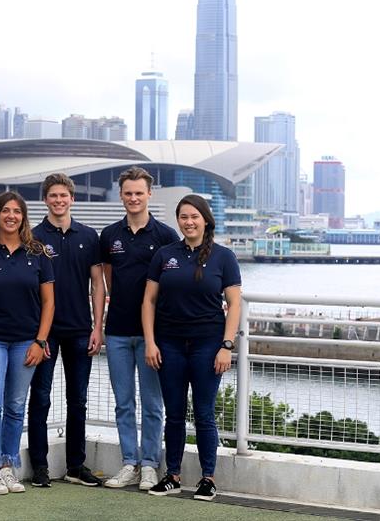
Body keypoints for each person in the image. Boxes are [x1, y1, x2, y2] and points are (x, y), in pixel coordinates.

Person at [141, 194, 241, 501]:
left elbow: (234, 303)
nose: (189, 222)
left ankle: (207, 478)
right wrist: (150, 342)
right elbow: (149, 301)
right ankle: (172, 475)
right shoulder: (164, 255)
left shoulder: (224, 257)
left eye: (194, 216)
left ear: (206, 220)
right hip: (168, 344)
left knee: (204, 413)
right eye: (183, 217)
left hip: (208, 345)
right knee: (173, 413)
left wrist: (227, 345)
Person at [0, 191, 55, 495]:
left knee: (16, 406)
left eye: (17, 211)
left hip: (27, 342)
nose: (11, 216)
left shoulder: (38, 252)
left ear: (23, 217)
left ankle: (8, 465)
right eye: (6, 211)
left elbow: (49, 303)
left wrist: (40, 342)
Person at [99, 166, 178, 490]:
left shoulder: (165, 237)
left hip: (152, 336)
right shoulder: (110, 236)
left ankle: (149, 465)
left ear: (149, 195)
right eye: (128, 193)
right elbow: (107, 280)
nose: (133, 198)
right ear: (121, 196)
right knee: (123, 402)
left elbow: (172, 284)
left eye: (139, 193)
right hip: (116, 331)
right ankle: (129, 462)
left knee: (152, 403)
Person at [28, 173, 106, 488]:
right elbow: (29, 290)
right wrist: (38, 335)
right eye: (53, 196)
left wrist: (98, 326)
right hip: (46, 334)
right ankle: (39, 467)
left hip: (80, 330)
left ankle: (76, 465)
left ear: (72, 199)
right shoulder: (32, 238)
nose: (59, 201)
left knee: (78, 401)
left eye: (64, 196)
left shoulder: (89, 236)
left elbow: (98, 285)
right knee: (41, 399)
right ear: (45, 199)